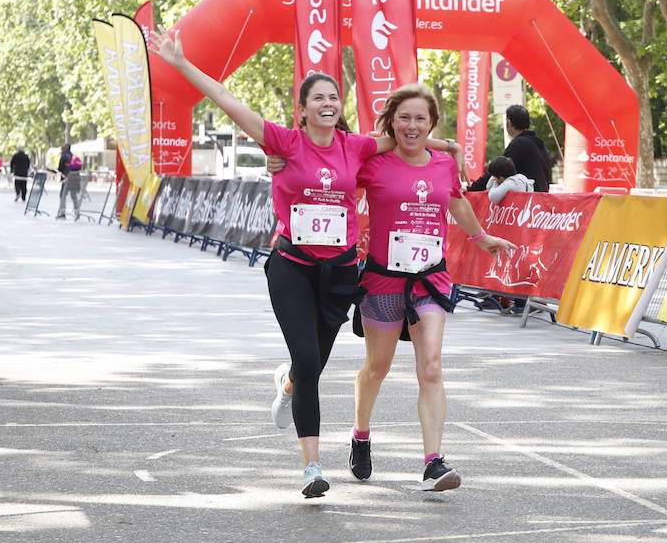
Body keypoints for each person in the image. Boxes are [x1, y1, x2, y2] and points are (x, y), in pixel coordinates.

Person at [153, 27, 458, 498]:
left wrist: (441, 147)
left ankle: (290, 382)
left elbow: (403, 140)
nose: (328, 103)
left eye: (334, 96)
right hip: (292, 266)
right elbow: (228, 101)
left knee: (310, 364)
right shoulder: (281, 142)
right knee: (310, 360)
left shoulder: (354, 146)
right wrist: (180, 64)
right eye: (319, 97)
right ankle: (312, 467)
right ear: (303, 109)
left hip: (338, 272)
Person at [351, 84, 516, 490]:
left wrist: (482, 238)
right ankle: (360, 434)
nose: (412, 125)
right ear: (391, 121)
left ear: (432, 123)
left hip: (431, 278)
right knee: (378, 367)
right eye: (404, 117)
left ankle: (433, 461)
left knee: (432, 367)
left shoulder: (443, 165)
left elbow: (456, 202)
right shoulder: (373, 160)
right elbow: (340, 187)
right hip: (383, 278)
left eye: (420, 118)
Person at [501, 104, 554, 192]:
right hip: (541, 199)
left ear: (509, 123)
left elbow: (499, 170)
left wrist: (474, 188)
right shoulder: (539, 144)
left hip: (526, 201)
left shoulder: (519, 144)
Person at [56, 155, 83, 220]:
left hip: (69, 179)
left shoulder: (65, 157)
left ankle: (62, 213)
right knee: (74, 196)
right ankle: (77, 213)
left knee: (63, 195)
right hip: (76, 179)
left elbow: (60, 169)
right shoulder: (73, 157)